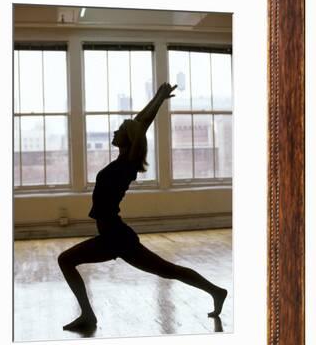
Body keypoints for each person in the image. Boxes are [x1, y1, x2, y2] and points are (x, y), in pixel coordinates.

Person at [58, 82, 227, 331]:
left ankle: (88, 315)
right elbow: (140, 124)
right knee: (167, 270)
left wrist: (157, 101)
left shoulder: (126, 165)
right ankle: (216, 291)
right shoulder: (123, 161)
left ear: (127, 140)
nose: (114, 132)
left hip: (115, 236)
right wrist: (158, 98)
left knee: (66, 260)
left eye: (119, 131)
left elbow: (139, 126)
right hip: (113, 234)